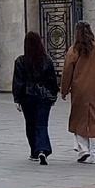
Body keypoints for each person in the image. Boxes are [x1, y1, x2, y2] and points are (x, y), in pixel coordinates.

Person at [60, 20, 95, 164]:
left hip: (79, 92)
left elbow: (67, 72)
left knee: (79, 120)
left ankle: (83, 150)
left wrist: (64, 90)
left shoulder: (74, 50)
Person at [11, 31, 59, 164]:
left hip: (27, 96)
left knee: (30, 124)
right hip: (44, 97)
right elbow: (53, 80)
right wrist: (53, 95)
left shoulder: (21, 61)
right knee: (41, 124)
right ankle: (43, 149)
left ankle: (34, 152)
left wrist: (17, 99)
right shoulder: (47, 60)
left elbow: (18, 82)